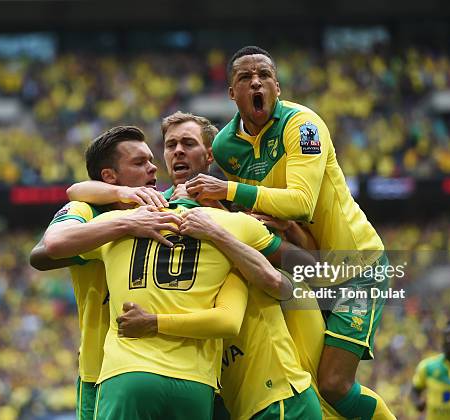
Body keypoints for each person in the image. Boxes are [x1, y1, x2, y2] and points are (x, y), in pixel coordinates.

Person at [185, 45, 394, 419]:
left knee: (334, 383)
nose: (256, 83)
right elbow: (259, 212)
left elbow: (300, 202)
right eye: (245, 78)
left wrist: (228, 190)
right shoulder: (225, 147)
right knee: (313, 385)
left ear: (277, 87)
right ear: (232, 93)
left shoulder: (303, 125)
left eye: (264, 76)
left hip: (356, 266)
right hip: (308, 270)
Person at [70, 111, 324, 419]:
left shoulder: (237, 210)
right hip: (213, 387)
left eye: (187, 143)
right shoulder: (150, 209)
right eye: (170, 144)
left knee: (339, 388)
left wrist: (287, 228)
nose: (177, 150)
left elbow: (310, 268)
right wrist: (122, 192)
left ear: (209, 155)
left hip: (267, 387)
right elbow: (77, 191)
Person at [78, 197, 283, 419]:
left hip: (129, 372)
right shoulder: (237, 226)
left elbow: (49, 250)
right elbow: (303, 270)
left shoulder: (113, 222)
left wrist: (107, 196)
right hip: (197, 383)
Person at [29, 126, 178, 420]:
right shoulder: (85, 211)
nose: (152, 168)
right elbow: (43, 253)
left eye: (151, 160)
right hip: (102, 372)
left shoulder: (165, 206)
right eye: (139, 163)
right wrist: (122, 225)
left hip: (172, 367)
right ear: (110, 176)